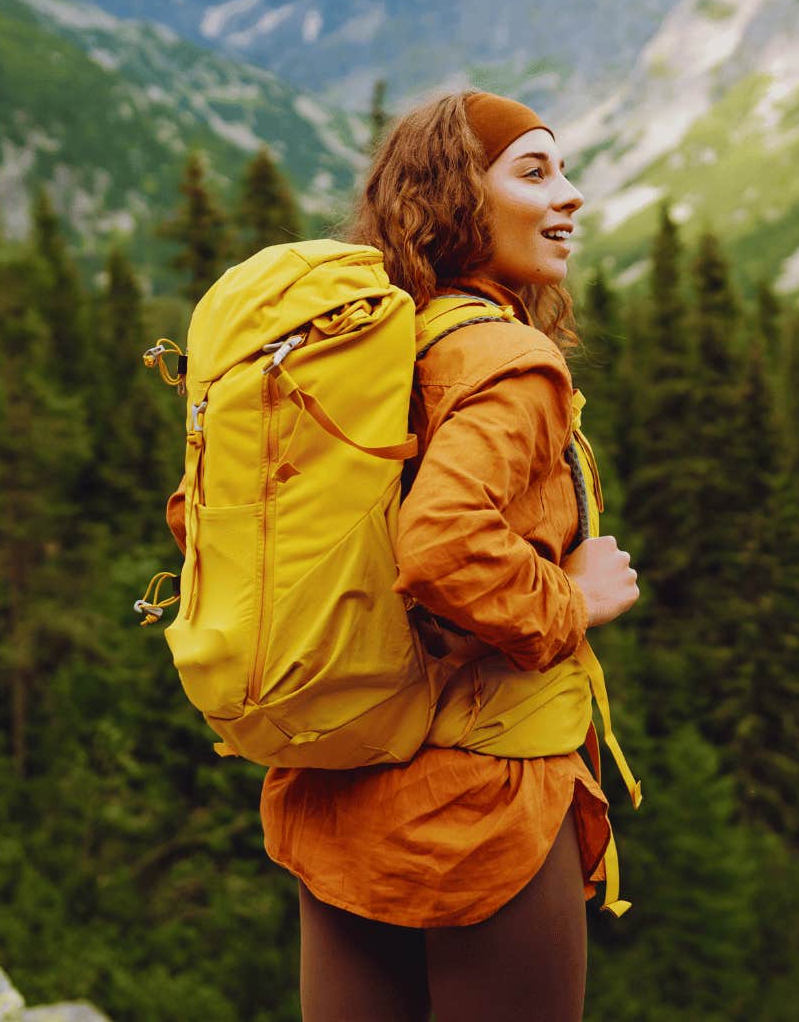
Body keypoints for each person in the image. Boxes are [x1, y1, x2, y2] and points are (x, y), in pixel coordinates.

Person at [258, 89, 642, 1022]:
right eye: (535, 172)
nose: (572, 197)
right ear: (459, 199)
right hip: (482, 801)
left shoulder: (362, 351)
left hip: (343, 784)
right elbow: (440, 542)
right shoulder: (507, 361)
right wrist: (573, 601)